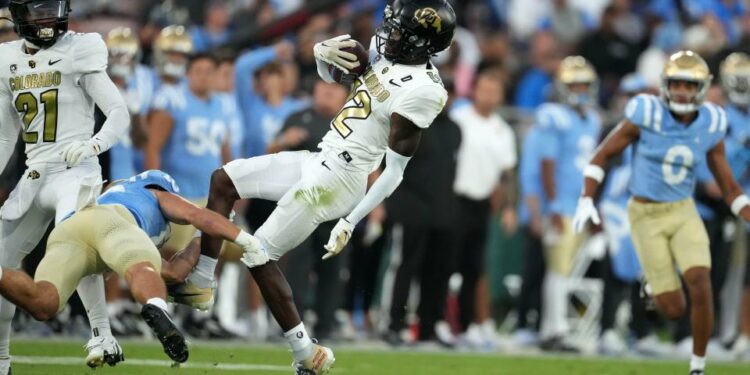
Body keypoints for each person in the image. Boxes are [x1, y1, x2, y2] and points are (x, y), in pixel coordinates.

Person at [193, 1, 455, 372]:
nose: (388, 35)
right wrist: (320, 57)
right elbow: (347, 85)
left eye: (399, 31)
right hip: (318, 159)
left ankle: (306, 352)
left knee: (257, 253)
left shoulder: (425, 92)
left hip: (340, 179)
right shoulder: (390, 57)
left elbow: (394, 172)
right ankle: (201, 280)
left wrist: (351, 220)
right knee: (223, 179)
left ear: (421, 43)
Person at [573, 50, 750, 375]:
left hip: (684, 210)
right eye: (677, 84)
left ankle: (697, 366)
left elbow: (730, 187)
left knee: (700, 280)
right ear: (666, 86)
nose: (682, 92)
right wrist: (586, 198)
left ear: (702, 88)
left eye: (689, 85)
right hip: (646, 213)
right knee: (673, 308)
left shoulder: (712, 122)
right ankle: (653, 287)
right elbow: (602, 155)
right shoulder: (646, 113)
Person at [0, 170, 264, 364]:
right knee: (144, 271)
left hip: (71, 228)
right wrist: (240, 236)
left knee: (43, 301)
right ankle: (155, 307)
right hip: (114, 223)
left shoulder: (115, 191)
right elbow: (194, 225)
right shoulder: (154, 194)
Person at [0, 0, 131, 371]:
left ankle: (103, 334)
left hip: (75, 168)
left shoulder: (80, 48)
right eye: (38, 9)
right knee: (2, 264)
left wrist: (93, 145)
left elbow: (118, 112)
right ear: (17, 14)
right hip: (35, 172)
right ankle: (2, 360)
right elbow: (6, 135)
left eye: (53, 7)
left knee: (75, 237)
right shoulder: (5, 58)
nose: (47, 17)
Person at [537, 56, 601, 352]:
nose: (579, 89)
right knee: (558, 271)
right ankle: (555, 330)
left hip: (579, 205)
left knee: (566, 271)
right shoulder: (553, 116)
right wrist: (551, 206)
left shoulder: (593, 119)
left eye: (583, 84)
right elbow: (547, 164)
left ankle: (553, 328)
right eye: (574, 84)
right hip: (561, 205)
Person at [450, 69, 517, 349]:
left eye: (495, 91)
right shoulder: (459, 119)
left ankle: (468, 325)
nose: (489, 96)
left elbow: (508, 172)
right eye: (485, 89)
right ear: (474, 90)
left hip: (481, 204)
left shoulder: (503, 130)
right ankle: (438, 322)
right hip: (454, 199)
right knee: (445, 265)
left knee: (474, 267)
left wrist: (510, 206)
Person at [145, 53, 231, 260]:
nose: (204, 77)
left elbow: (224, 150)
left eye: (209, 72)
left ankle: (204, 294)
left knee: (210, 255)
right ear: (188, 74)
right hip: (179, 192)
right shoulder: (173, 100)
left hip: (210, 193)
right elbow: (153, 147)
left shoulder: (223, 104)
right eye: (198, 71)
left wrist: (231, 188)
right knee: (170, 254)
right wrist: (157, 188)